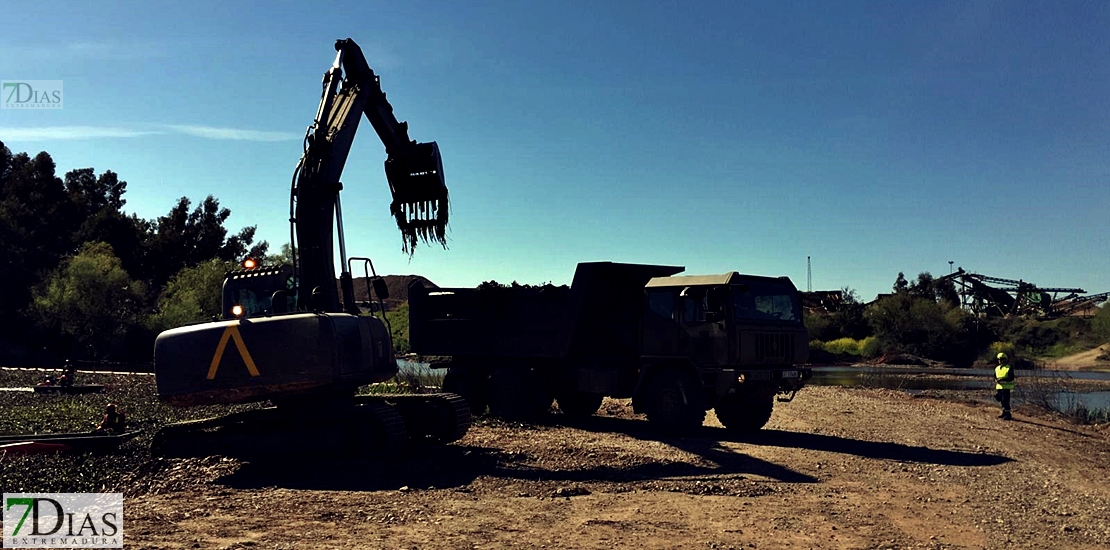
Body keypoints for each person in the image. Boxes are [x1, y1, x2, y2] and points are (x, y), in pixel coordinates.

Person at [994, 352, 1015, 420]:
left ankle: (1008, 415)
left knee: (1005, 401)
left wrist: (1003, 379)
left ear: (1006, 360)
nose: (1001, 361)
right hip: (999, 387)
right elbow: (995, 376)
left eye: (1002, 359)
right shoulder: (997, 368)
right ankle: (1004, 413)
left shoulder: (1009, 368)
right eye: (999, 359)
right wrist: (996, 380)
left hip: (1006, 388)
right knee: (1000, 400)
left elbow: (1011, 378)